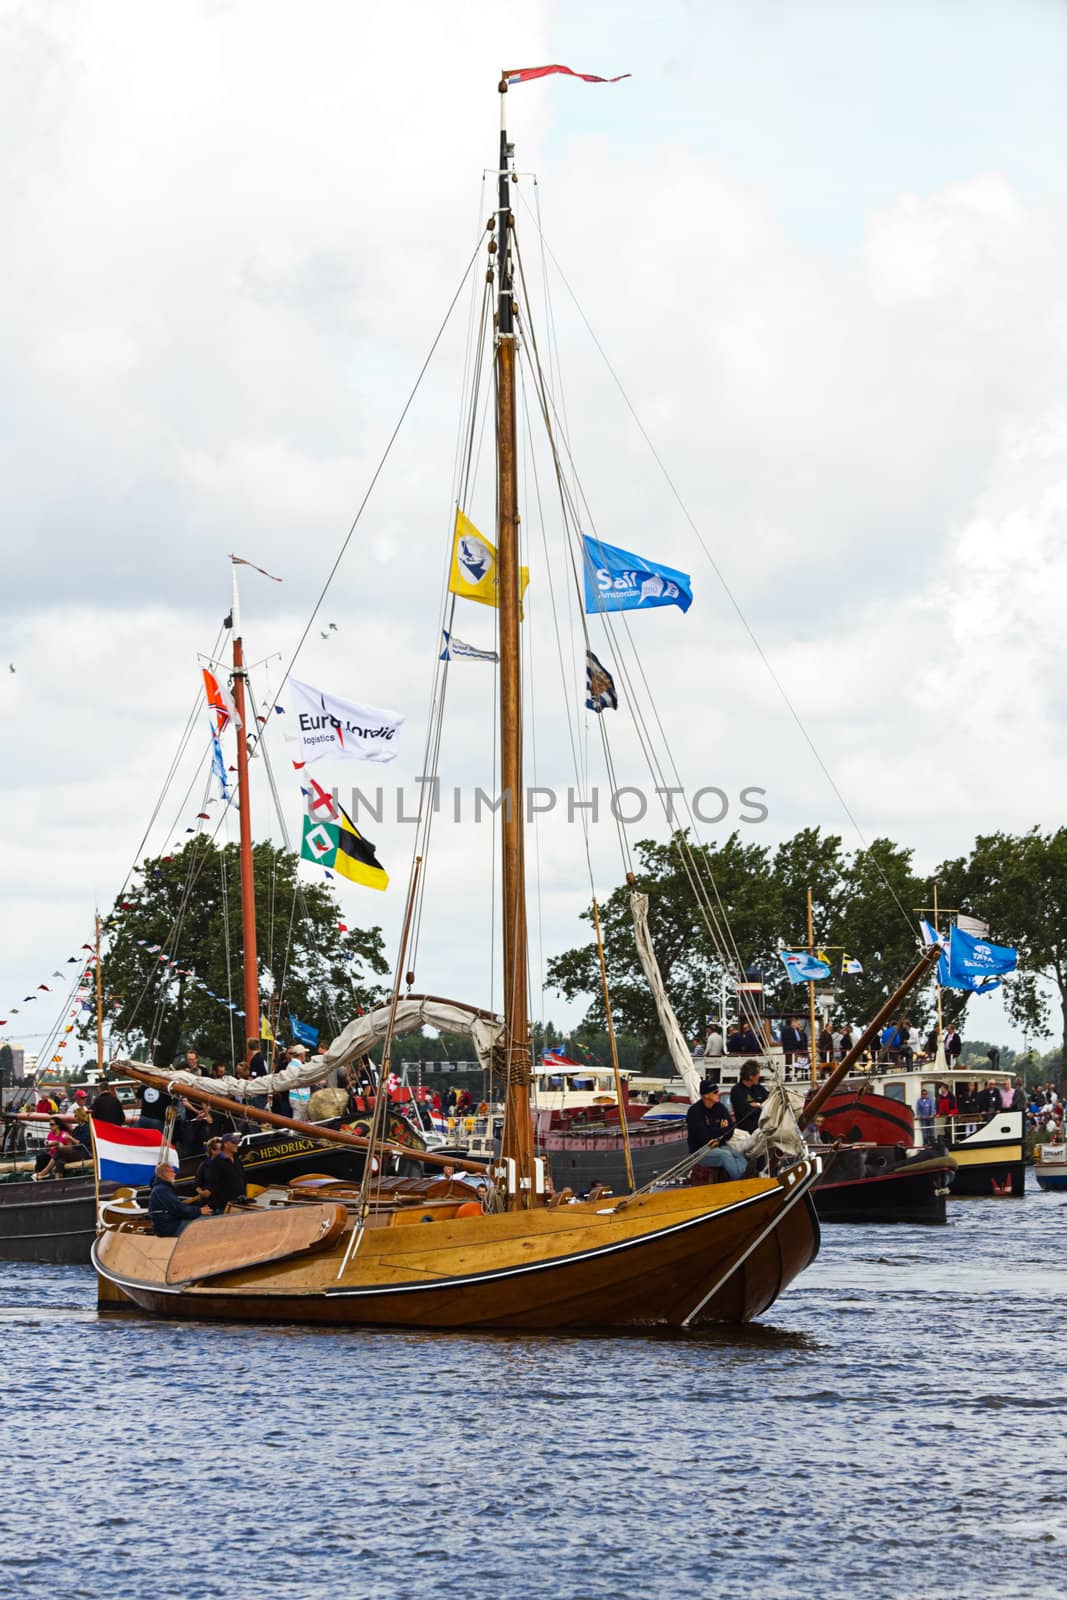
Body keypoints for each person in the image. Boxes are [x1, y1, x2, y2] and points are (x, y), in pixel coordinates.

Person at [685, 1080, 746, 1182]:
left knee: (738, 1154)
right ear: (706, 1095)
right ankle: (740, 1179)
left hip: (719, 1145)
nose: (718, 1094)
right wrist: (721, 1129)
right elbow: (702, 1137)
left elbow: (730, 1131)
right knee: (725, 1156)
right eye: (715, 1092)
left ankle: (746, 1173)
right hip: (701, 1151)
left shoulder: (720, 1108)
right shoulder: (694, 1111)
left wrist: (715, 1131)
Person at [147, 1164, 211, 1237]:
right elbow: (179, 1209)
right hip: (169, 1227)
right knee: (205, 1221)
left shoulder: (161, 1188)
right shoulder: (161, 1190)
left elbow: (178, 1207)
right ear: (164, 1174)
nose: (175, 1174)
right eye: (172, 1172)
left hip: (168, 1225)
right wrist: (199, 1210)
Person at [203, 1132, 252, 1213]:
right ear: (225, 1144)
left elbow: (243, 1179)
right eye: (234, 1142)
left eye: (237, 1142)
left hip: (241, 1204)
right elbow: (213, 1184)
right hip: (226, 1207)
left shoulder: (237, 1160)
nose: (237, 1144)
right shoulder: (216, 1162)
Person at [730, 1061, 768, 1134]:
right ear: (751, 1076)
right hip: (747, 1132)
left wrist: (756, 1105)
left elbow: (769, 1102)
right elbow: (744, 1111)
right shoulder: (736, 1090)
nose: (759, 1076)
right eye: (758, 1073)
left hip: (763, 1129)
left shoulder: (759, 1088)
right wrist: (760, 1106)